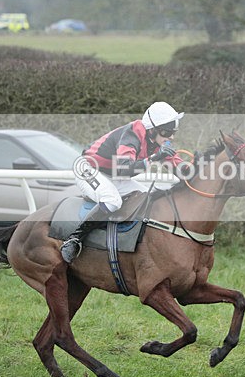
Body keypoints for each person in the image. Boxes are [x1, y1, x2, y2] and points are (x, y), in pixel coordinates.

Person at [61, 101, 185, 262]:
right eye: (167, 132)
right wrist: (155, 158)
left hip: (114, 175)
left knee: (147, 197)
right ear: (152, 129)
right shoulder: (131, 135)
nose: (171, 137)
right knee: (112, 201)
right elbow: (124, 169)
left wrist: (198, 168)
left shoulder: (156, 141)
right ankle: (74, 239)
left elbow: (179, 167)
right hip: (89, 168)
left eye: (173, 132)